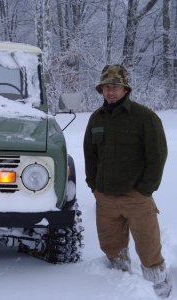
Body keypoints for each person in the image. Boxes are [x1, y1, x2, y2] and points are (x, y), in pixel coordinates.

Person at [83, 64, 172, 298]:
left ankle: (159, 284)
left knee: (148, 246)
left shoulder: (144, 117)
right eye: (106, 87)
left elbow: (157, 154)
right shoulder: (96, 118)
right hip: (105, 197)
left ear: (125, 90)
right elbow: (90, 154)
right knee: (112, 245)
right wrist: (94, 185)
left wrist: (145, 189)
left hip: (136, 196)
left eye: (115, 87)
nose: (110, 91)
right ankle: (118, 281)